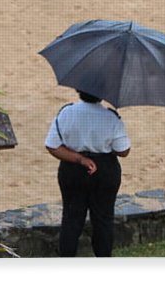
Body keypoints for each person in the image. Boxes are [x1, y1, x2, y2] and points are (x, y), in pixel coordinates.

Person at [44, 89, 131, 257]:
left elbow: (52, 145)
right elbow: (123, 150)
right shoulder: (111, 117)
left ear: (78, 90)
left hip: (72, 170)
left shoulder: (66, 113)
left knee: (71, 218)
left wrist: (79, 159)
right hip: (105, 170)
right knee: (104, 220)